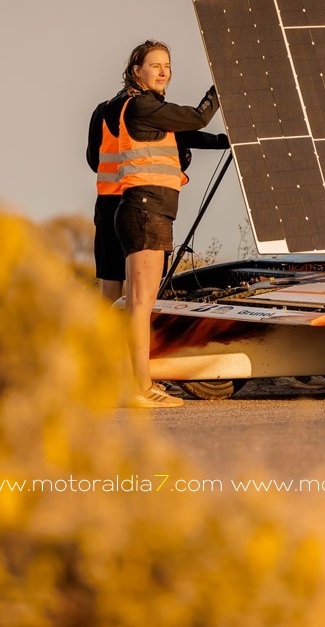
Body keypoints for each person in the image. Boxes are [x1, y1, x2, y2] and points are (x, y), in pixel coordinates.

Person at [110, 40, 219, 408]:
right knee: (141, 305)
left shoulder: (151, 110)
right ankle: (140, 388)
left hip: (146, 211)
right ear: (136, 71)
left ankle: (138, 383)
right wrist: (220, 88)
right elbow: (196, 118)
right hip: (145, 212)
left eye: (167, 66)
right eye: (154, 65)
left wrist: (230, 141)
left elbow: (191, 133)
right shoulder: (141, 104)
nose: (163, 71)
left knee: (139, 304)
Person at [86, 98, 228, 303]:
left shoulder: (102, 110)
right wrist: (224, 141)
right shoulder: (151, 110)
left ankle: (108, 334)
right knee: (145, 292)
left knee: (110, 283)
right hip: (142, 203)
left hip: (107, 206)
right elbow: (192, 135)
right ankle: (139, 332)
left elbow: (93, 160)